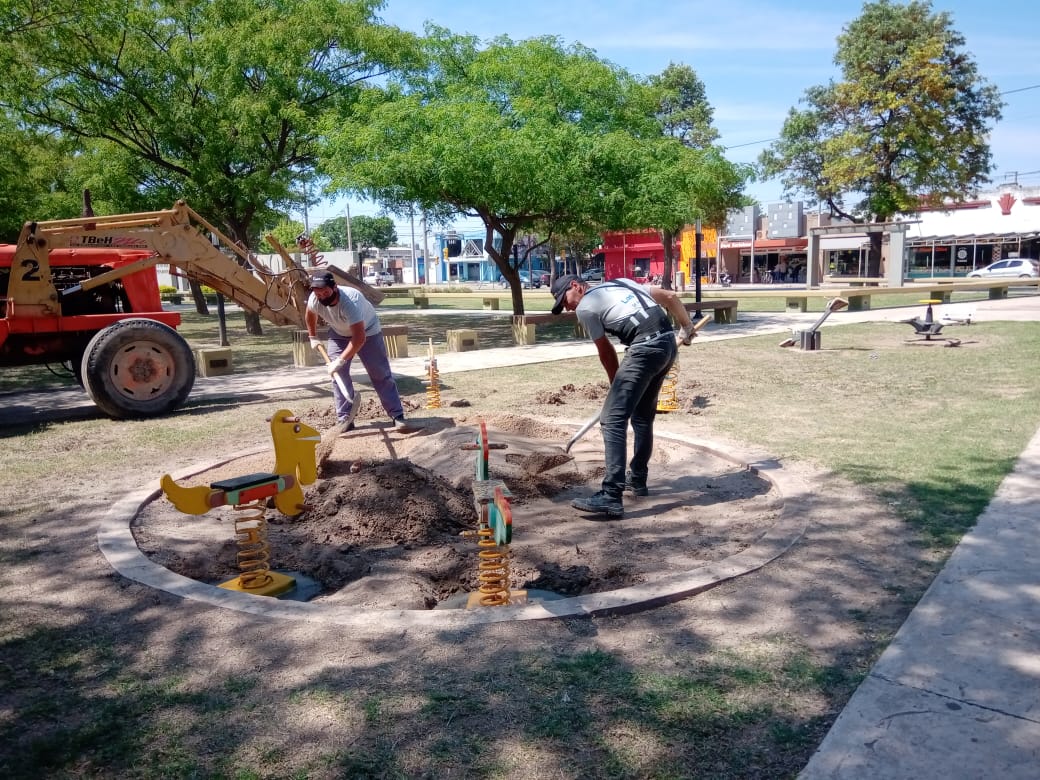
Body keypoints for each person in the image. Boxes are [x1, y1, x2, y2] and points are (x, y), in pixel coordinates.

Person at [551, 274, 699, 518]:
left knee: (612, 420)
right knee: (641, 417)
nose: (566, 307)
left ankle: (611, 495)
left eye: (564, 299)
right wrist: (686, 326)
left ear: (576, 286)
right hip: (666, 345)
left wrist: (615, 387)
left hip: (645, 349)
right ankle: (637, 480)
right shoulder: (621, 282)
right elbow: (670, 297)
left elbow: (606, 351)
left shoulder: (586, 307)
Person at [305, 271, 415, 432]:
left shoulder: (351, 301)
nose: (322, 296)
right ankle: (345, 419)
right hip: (338, 334)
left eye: (326, 292)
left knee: (379, 373)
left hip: (368, 332)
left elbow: (358, 338)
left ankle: (397, 415)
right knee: (338, 376)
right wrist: (312, 336)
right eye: (318, 293)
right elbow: (310, 315)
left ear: (334, 288)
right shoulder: (315, 298)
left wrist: (340, 360)